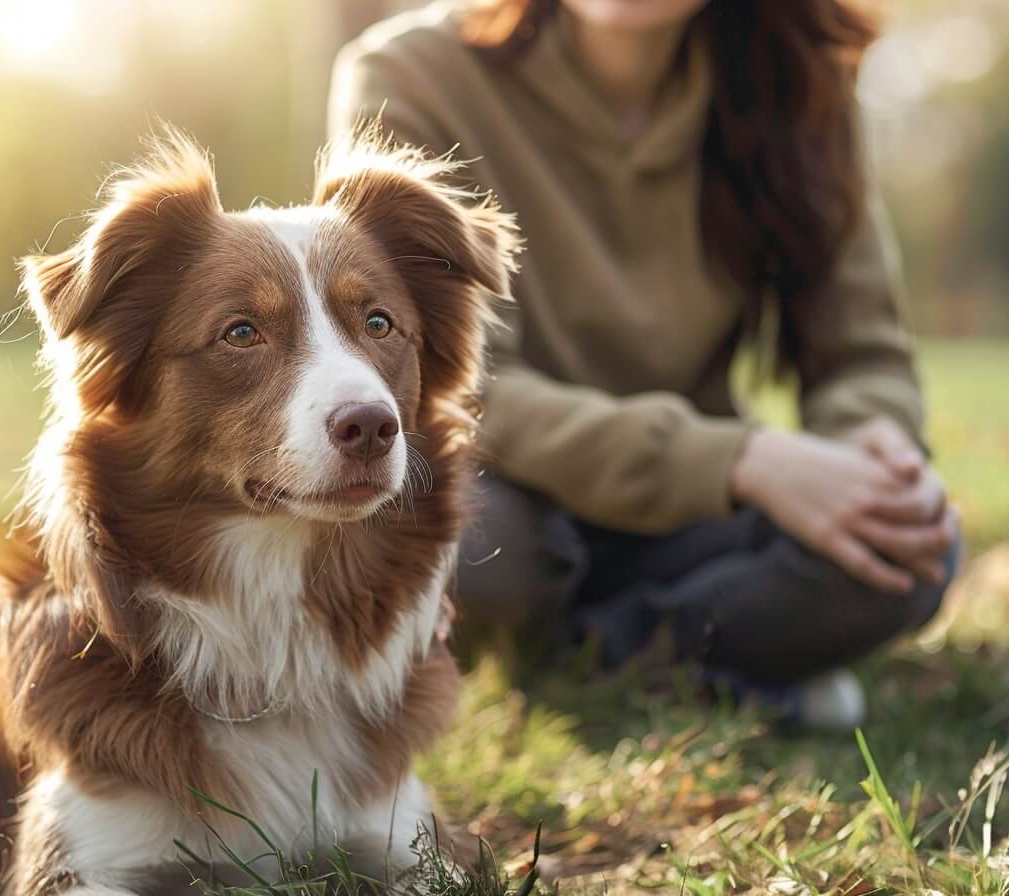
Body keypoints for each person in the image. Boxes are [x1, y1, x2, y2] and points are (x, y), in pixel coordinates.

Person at [328, 0, 960, 729]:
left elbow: (863, 352)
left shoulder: (802, 81)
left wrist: (872, 451)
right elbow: (461, 385)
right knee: (454, 542)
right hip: (513, 496)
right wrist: (740, 459)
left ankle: (582, 664)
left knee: (915, 551)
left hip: (694, 520)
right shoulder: (411, 74)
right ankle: (720, 675)